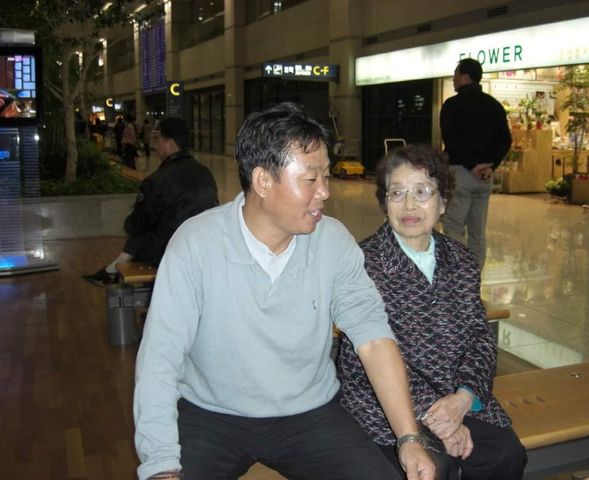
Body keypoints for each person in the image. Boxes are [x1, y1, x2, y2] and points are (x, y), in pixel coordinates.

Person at [133, 103, 436, 480]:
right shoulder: (196, 244)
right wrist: (161, 463)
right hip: (211, 414)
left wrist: (409, 438)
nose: (324, 192)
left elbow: (373, 338)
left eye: (325, 176)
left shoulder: (332, 241)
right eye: (310, 179)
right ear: (263, 181)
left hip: (308, 412)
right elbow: (160, 358)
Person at [336, 144, 527, 480]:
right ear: (384, 203)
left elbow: (479, 337)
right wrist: (435, 416)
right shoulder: (363, 265)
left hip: (455, 397)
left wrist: (464, 398)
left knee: (505, 455)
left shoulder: (461, 260)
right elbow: (364, 359)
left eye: (422, 192)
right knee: (434, 468)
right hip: (384, 406)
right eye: (397, 193)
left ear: (443, 202)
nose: (409, 205)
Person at [82, 117, 219, 286]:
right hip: (204, 247)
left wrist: (131, 220)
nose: (155, 146)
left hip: (169, 252)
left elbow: (137, 224)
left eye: (158, 140)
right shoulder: (205, 173)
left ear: (170, 143)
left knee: (144, 226)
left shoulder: (157, 180)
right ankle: (114, 267)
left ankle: (116, 267)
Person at [439, 58, 512, 270]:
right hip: (485, 177)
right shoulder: (494, 105)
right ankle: (474, 276)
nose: (453, 79)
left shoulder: (452, 106)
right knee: (477, 232)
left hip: (461, 174)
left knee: (453, 225)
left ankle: (459, 276)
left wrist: (472, 165)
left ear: (465, 77)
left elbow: (451, 141)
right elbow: (506, 140)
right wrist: (491, 167)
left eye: (455, 75)